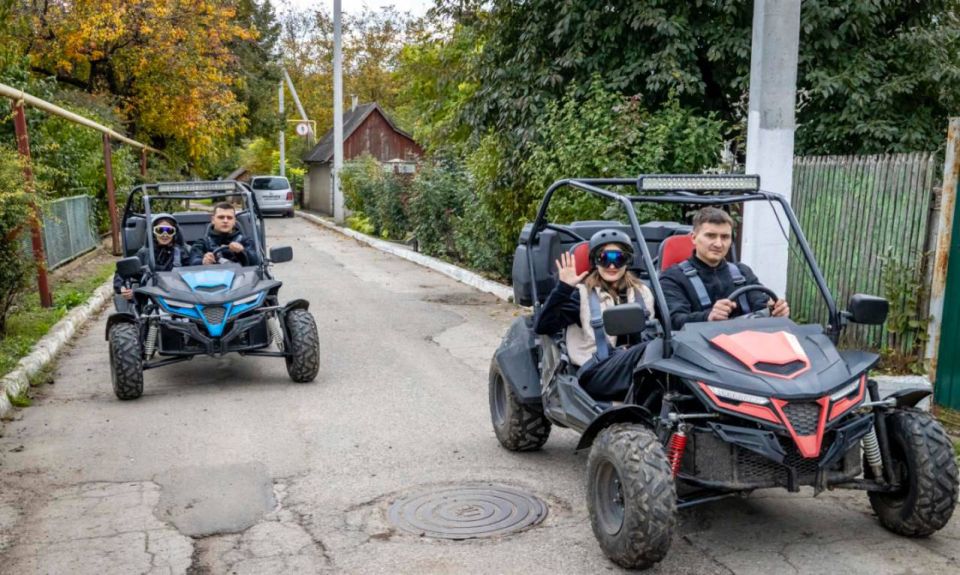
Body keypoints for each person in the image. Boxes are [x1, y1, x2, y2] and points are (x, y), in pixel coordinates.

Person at [534, 230, 655, 401]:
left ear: (628, 261)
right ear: (594, 261)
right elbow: (543, 326)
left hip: (636, 368)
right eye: (604, 259)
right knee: (653, 348)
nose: (612, 266)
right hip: (595, 372)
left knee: (667, 346)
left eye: (618, 259)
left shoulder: (643, 293)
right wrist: (563, 288)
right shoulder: (581, 295)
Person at [661, 207, 790, 330]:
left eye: (725, 237)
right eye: (711, 236)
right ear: (694, 238)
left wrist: (775, 310)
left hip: (746, 343)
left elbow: (760, 304)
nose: (718, 244)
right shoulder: (672, 277)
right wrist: (708, 316)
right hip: (697, 347)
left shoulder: (743, 272)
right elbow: (674, 321)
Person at [113, 213, 184, 302]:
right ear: (153, 232)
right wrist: (122, 288)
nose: (164, 234)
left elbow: (196, 270)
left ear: (175, 233)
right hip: (150, 300)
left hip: (180, 298)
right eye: (160, 230)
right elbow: (122, 271)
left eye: (169, 231)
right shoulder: (144, 253)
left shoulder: (182, 252)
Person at [188, 202, 260, 266]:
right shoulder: (202, 243)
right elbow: (193, 262)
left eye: (229, 218)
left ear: (234, 221)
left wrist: (242, 251)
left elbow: (257, 263)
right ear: (213, 220)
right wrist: (203, 262)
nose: (225, 221)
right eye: (221, 217)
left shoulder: (246, 241)